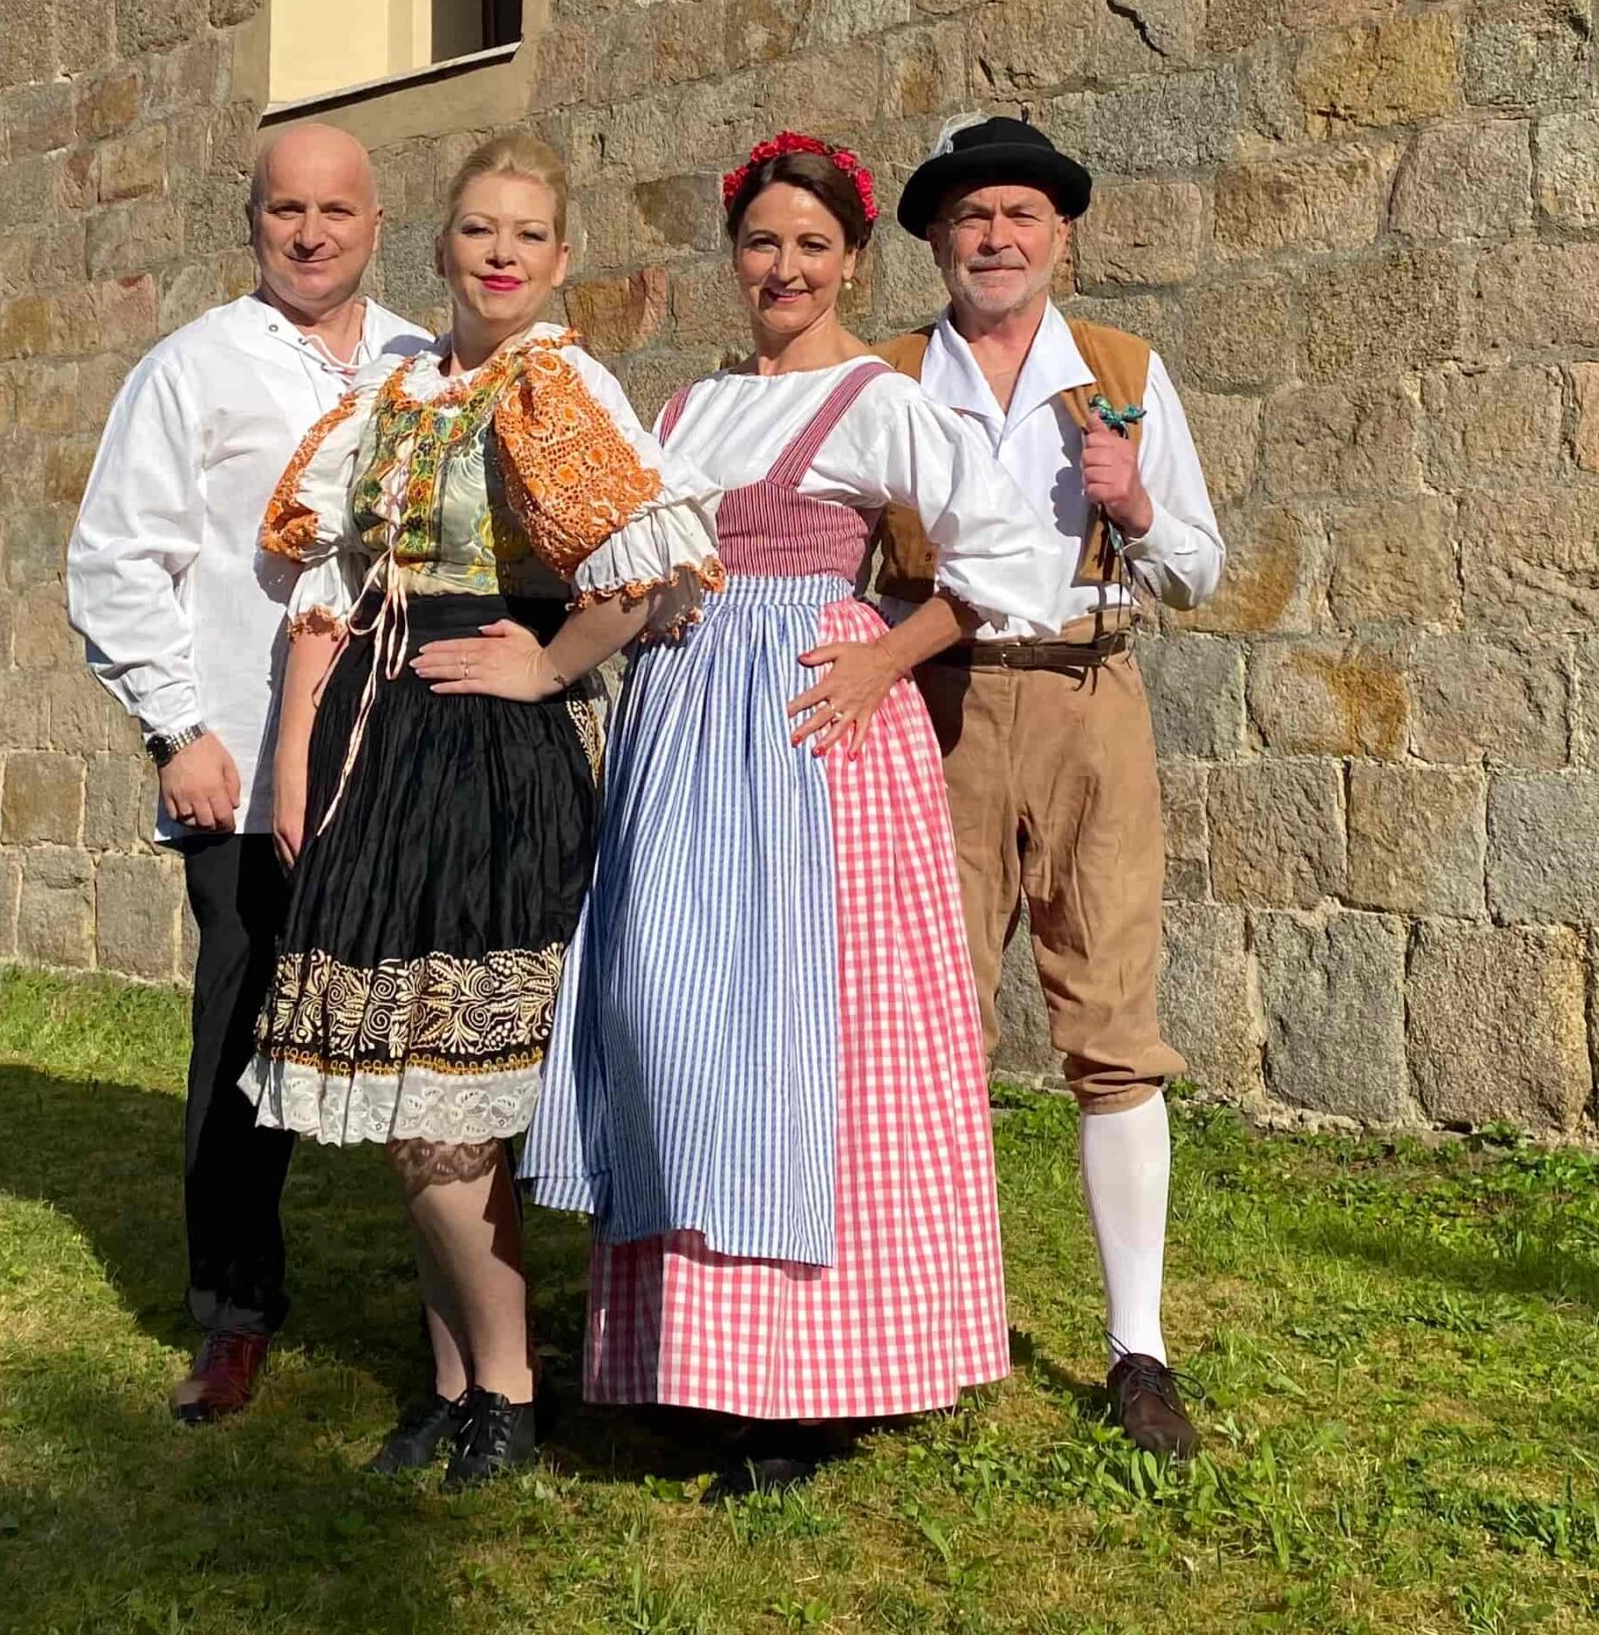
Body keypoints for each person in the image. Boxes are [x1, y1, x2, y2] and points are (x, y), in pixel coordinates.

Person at [520, 132, 1065, 1498]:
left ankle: (804, 1385)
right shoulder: (688, 408)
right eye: (763, 242)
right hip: (680, 732)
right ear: (733, 253)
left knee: (798, 1036)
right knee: (670, 1013)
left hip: (812, 739)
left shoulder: (878, 399)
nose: (785, 267)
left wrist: (887, 656)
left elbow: (1008, 557)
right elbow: (638, 559)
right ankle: (687, 1355)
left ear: (853, 262)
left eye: (813, 246)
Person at [250, 132, 720, 1490]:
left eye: (526, 234)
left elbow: (654, 564)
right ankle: (454, 1381)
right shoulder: (397, 394)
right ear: (442, 247)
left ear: (560, 261)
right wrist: (297, 764)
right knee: (401, 1090)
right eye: (478, 229)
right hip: (378, 749)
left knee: (448, 1099)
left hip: (490, 759)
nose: (500, 254)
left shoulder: (557, 386)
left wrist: (550, 664)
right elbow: (328, 595)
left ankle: (507, 1389)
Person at [66, 123, 436, 1426]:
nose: (311, 232)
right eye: (287, 210)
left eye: (336, 210)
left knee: (437, 1029)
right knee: (243, 1041)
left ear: (376, 222)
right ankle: (232, 1309)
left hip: (403, 754)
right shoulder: (192, 367)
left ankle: (464, 1327)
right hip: (240, 750)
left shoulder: (425, 365)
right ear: (253, 223)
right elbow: (117, 559)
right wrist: (179, 731)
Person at [875, 114, 1227, 1459]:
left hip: (1089, 694)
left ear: (1061, 236)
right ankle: (917, 1323)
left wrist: (1134, 505)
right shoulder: (887, 378)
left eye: (1022, 214)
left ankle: (1139, 1348)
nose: (997, 237)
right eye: (971, 216)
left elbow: (1197, 569)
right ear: (934, 239)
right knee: (925, 1020)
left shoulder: (1125, 374)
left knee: (1114, 1021)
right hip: (938, 704)